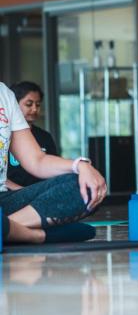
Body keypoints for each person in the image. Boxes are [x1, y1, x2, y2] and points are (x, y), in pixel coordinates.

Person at [0, 81, 106, 243]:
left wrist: (80, 165)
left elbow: (37, 160)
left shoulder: (4, 94)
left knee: (84, 186)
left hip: (4, 201)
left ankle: (8, 229)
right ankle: (34, 236)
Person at [7, 81, 58, 188]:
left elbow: (53, 171)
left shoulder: (45, 137)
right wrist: (21, 191)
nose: (34, 109)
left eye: (38, 104)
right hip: (10, 195)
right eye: (29, 104)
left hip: (40, 194)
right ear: (14, 104)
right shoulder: (4, 135)